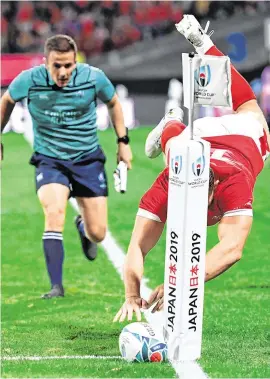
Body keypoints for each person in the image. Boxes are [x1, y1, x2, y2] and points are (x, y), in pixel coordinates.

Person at [113, 15, 269, 323]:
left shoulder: (233, 183)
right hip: (196, 138)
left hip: (243, 136)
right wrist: (132, 294)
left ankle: (205, 47)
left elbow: (231, 249)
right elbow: (137, 246)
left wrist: (180, 285)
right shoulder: (169, 181)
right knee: (173, 148)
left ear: (212, 190)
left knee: (250, 108)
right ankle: (172, 121)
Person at [1, 34, 133, 299]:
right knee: (54, 211)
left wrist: (123, 142)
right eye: (56, 65)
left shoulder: (93, 77)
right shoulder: (29, 79)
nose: (62, 72)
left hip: (87, 158)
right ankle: (56, 287)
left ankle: (83, 227)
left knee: (98, 233)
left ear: (76, 62)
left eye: (68, 65)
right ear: (45, 62)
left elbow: (114, 103)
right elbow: (6, 101)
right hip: (49, 159)